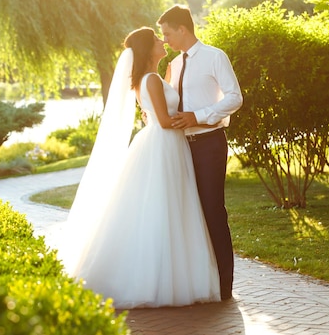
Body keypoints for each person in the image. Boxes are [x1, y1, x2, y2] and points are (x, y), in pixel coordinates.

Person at [57, 27, 220, 308]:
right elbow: (166, 122)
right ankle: (156, 281)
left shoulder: (153, 78)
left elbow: (155, 114)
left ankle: (165, 277)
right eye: (158, 39)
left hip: (166, 144)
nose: (162, 41)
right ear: (148, 47)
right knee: (163, 209)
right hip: (164, 144)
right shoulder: (151, 80)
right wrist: (203, 119)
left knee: (165, 208)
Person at [158, 4, 243, 301]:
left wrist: (199, 115)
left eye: (168, 33)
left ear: (183, 29)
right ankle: (198, 283)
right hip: (179, 149)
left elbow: (235, 97)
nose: (165, 39)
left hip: (209, 144)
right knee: (188, 215)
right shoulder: (175, 65)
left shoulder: (214, 57)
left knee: (213, 212)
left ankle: (223, 288)